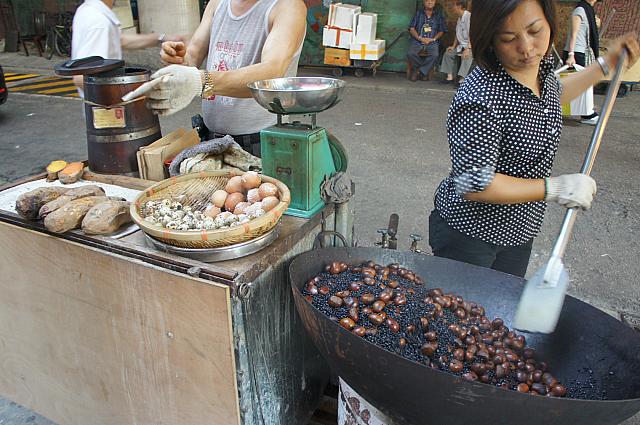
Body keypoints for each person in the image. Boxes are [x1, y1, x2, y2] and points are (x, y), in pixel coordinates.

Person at [429, 0, 638, 278]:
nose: (526, 48)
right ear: (489, 39)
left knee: (502, 312)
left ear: (550, 22)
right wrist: (556, 188)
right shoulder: (480, 97)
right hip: (471, 235)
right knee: (465, 314)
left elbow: (553, 95)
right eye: (508, 38)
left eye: (535, 31)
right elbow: (474, 183)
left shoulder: (538, 69)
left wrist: (604, 65)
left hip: (519, 229)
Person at [123, 0, 307, 157]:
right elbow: (192, 54)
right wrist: (178, 58)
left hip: (261, 141)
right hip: (210, 136)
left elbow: (271, 73)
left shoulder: (287, 7)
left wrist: (201, 81)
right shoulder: (217, 3)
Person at [71, 0, 182, 96]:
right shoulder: (99, 23)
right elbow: (81, 77)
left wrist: (161, 38)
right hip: (107, 109)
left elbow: (120, 40)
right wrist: (124, 96)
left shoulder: (87, 10)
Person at [563, 0, 602, 125]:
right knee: (578, 84)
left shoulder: (589, 10)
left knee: (584, 84)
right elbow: (573, 34)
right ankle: (587, 114)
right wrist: (571, 54)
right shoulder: (580, 10)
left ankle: (587, 111)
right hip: (575, 52)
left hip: (582, 52)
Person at [407, 0, 447, 82]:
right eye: (427, 0)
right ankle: (422, 72)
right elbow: (411, 28)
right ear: (424, 2)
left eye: (432, 0)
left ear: (435, 2)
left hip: (432, 41)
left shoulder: (439, 15)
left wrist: (433, 39)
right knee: (410, 53)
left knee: (435, 55)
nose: (430, 2)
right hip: (418, 40)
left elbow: (441, 30)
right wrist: (419, 38)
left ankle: (419, 71)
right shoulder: (419, 13)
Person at [439, 0, 472, 86]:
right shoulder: (459, 18)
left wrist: (468, 49)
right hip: (461, 45)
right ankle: (449, 77)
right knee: (448, 53)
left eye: (454, 5)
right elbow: (458, 34)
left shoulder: (468, 17)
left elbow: (472, 34)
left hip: (471, 45)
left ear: (459, 6)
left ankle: (462, 80)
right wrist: (453, 46)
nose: (453, 8)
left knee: (467, 56)